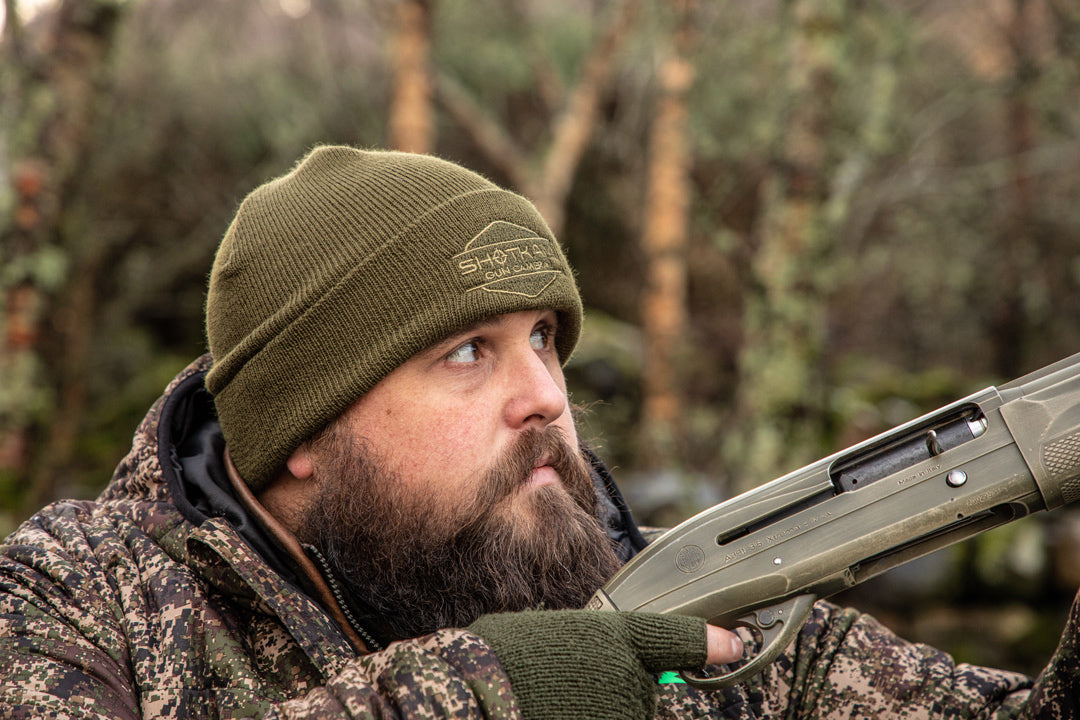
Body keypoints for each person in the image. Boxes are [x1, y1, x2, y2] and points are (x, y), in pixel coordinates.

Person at [0, 145, 1076, 720]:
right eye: (468, 352)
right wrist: (494, 695)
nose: (546, 398)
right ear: (305, 425)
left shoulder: (701, 619)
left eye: (545, 341)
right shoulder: (75, 600)